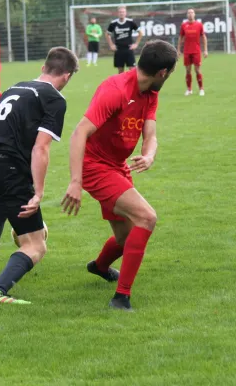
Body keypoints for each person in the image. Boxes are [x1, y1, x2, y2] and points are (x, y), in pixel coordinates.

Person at [61, 40, 178, 311]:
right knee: (146, 218)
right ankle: (121, 297)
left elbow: (150, 135)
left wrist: (148, 155)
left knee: (127, 238)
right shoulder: (115, 90)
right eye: (170, 73)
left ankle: (100, 266)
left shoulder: (150, 92)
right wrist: (75, 182)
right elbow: (79, 133)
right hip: (94, 166)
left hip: (117, 165)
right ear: (163, 72)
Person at [0, 46, 79, 304]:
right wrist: (38, 193)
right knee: (36, 246)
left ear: (43, 68)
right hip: (6, 170)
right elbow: (41, 147)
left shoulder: (15, 87)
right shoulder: (54, 99)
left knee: (4, 196)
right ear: (67, 76)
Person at [178, 8, 208, 96]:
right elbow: (181, 38)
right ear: (187, 15)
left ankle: (201, 89)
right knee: (187, 71)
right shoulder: (184, 25)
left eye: (192, 13)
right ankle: (189, 89)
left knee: (197, 70)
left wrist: (205, 50)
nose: (190, 14)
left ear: (194, 14)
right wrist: (178, 49)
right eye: (189, 13)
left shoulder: (199, 25)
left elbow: (203, 37)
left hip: (196, 51)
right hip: (187, 51)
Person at [106, 6, 143, 74]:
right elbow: (107, 34)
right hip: (118, 49)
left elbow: (140, 33)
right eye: (120, 12)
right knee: (120, 71)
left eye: (123, 12)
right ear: (118, 13)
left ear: (125, 13)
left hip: (129, 49)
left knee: (132, 69)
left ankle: (132, 84)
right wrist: (111, 45)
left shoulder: (130, 22)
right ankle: (122, 84)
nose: (121, 13)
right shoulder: (113, 23)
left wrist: (136, 44)